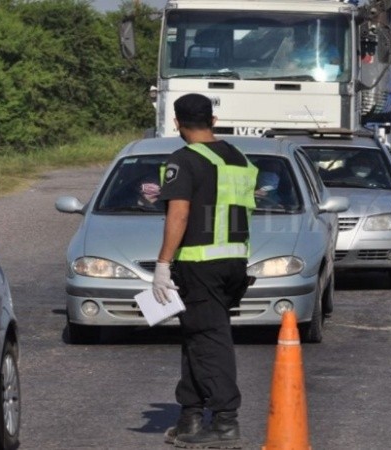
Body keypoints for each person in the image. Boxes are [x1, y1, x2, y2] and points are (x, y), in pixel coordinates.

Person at [153, 93, 257, 448]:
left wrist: (163, 264)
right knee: (198, 338)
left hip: (199, 264)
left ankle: (225, 421)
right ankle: (190, 416)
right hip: (234, 263)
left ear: (177, 123)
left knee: (209, 341)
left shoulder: (183, 160)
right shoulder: (237, 158)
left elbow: (179, 215)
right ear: (213, 120)